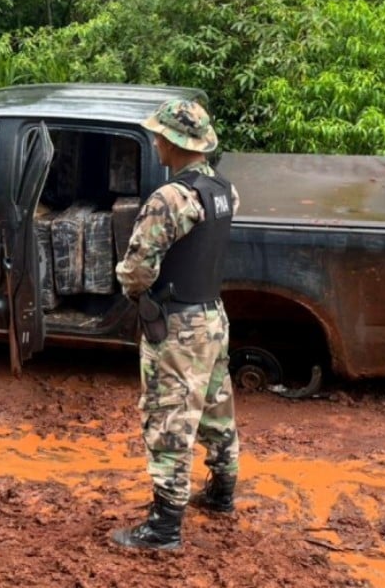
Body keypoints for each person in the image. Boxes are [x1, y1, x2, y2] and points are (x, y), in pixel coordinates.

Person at [111, 98, 241, 551]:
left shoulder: (170, 198)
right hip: (212, 317)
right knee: (215, 406)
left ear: (172, 141)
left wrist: (127, 286)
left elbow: (139, 268)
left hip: (178, 324)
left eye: (159, 135)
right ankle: (222, 492)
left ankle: (164, 527)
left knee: (169, 416)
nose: (155, 141)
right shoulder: (223, 190)